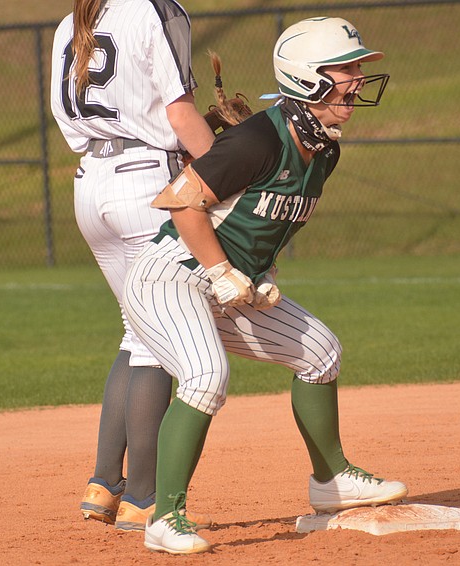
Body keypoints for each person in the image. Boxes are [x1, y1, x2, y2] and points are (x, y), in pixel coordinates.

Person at [121, 17, 407, 555]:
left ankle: (331, 480)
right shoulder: (258, 136)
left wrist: (260, 275)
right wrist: (221, 272)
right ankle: (165, 517)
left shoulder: (324, 149)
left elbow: (262, 222)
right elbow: (181, 202)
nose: (356, 81)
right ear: (306, 77)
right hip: (170, 275)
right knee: (206, 376)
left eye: (356, 70)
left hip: (225, 284)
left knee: (321, 350)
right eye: (345, 69)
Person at [49, 0, 215, 531]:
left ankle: (104, 483)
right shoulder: (157, 9)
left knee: (135, 331)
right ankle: (143, 497)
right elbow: (180, 113)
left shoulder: (72, 21)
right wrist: (230, 174)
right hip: (146, 178)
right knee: (159, 339)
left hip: (90, 180)